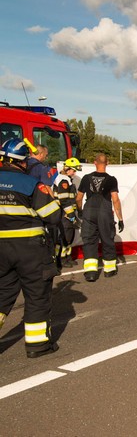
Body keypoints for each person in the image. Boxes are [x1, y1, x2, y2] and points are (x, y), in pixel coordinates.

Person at [0, 139, 62, 358]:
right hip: (30, 250)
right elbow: (53, 216)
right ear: (23, 161)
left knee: (2, 295)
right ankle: (37, 345)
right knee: (36, 294)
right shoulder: (30, 184)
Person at [76, 154, 124, 282]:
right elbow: (116, 200)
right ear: (107, 163)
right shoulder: (112, 180)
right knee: (107, 240)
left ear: (94, 162)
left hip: (89, 211)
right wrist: (120, 219)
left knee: (89, 241)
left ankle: (91, 273)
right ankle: (109, 271)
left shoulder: (86, 178)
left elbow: (79, 198)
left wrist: (80, 212)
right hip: (105, 213)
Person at [52, 158, 82, 268]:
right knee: (64, 237)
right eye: (73, 170)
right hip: (64, 214)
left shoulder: (67, 179)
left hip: (68, 213)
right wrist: (71, 215)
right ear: (67, 169)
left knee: (70, 237)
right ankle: (60, 258)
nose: (74, 173)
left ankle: (67, 256)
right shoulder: (63, 181)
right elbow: (64, 200)